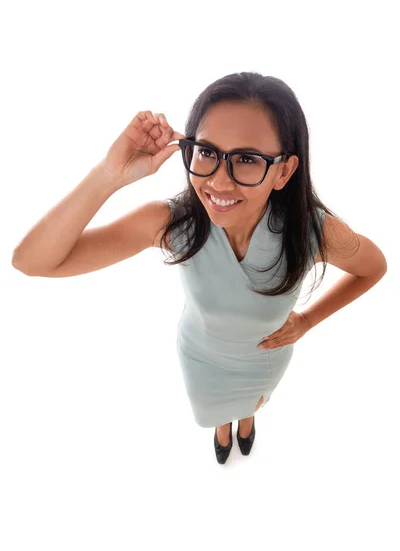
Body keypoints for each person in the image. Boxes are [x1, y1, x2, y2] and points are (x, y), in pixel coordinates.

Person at [12, 72, 387, 465]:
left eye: (246, 159)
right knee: (215, 416)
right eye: (207, 152)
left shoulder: (312, 232)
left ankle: (245, 423)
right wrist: (109, 175)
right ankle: (223, 429)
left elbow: (373, 267)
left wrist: (308, 321)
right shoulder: (172, 225)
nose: (219, 182)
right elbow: (31, 262)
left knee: (250, 406)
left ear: (284, 171)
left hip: (263, 361)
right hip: (202, 358)